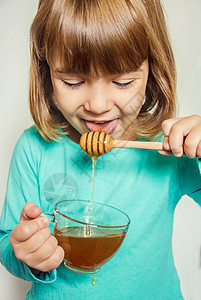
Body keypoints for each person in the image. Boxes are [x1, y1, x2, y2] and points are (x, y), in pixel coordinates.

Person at [0, 0, 201, 299]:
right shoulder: (34, 148)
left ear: (153, 71)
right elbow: (8, 244)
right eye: (72, 81)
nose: (97, 106)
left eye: (122, 82)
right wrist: (25, 251)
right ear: (47, 74)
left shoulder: (168, 149)